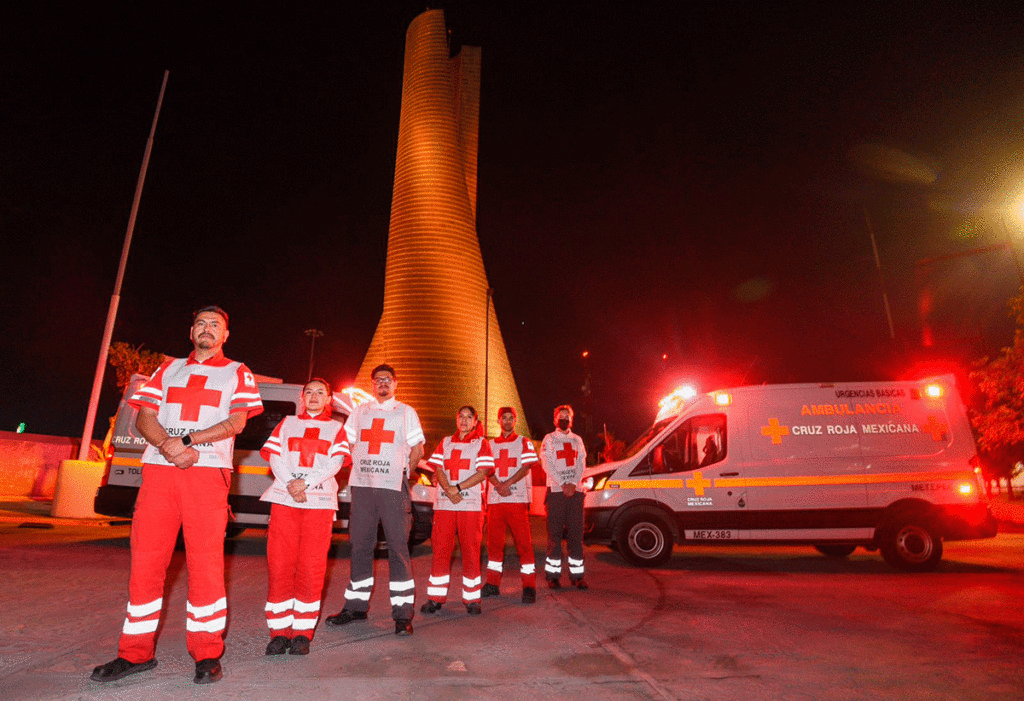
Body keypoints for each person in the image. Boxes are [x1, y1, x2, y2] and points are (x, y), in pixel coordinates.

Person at [91, 306, 263, 685]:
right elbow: (143, 416)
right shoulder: (168, 368)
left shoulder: (237, 371)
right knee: (146, 565)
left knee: (206, 567)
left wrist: (187, 441)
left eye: (215, 324)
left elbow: (237, 420)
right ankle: (134, 654)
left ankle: (206, 654)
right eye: (201, 323)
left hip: (206, 474)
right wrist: (169, 447)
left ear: (225, 335)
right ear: (190, 331)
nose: (207, 329)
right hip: (159, 473)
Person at [325, 364, 423, 636]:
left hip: (392, 489)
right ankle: (355, 607)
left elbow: (417, 448)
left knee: (398, 549)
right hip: (363, 488)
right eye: (378, 380)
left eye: (387, 380)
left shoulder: (406, 412)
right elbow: (348, 444)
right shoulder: (359, 412)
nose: (382, 384)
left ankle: (403, 615)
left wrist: (404, 474)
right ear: (372, 384)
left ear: (395, 384)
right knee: (359, 547)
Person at [259, 378, 349, 656]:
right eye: (308, 392)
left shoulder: (337, 429)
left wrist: (305, 484)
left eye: (320, 392)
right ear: (301, 396)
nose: (313, 396)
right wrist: (291, 483)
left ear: (328, 399)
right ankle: (278, 633)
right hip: (285, 500)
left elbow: (335, 463)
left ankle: (302, 633)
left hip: (319, 503)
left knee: (311, 567)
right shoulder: (286, 424)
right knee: (280, 564)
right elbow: (274, 456)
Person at [420, 406, 494, 615]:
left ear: (475, 422)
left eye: (469, 417)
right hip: (445, 503)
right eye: (460, 416)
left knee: (471, 551)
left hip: (470, 505)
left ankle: (472, 599)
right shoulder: (446, 442)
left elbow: (483, 472)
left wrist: (458, 488)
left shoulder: (481, 443)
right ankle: (435, 598)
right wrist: (449, 490)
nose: (464, 420)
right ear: (456, 419)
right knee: (440, 549)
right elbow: (439, 469)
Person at [481, 406, 538, 604]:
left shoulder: (524, 442)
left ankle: (529, 586)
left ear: (515, 421)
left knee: (523, 544)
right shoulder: (489, 444)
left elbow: (526, 467)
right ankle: (492, 583)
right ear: (498, 421)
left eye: (510, 418)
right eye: (503, 418)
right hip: (496, 500)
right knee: (494, 544)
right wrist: (498, 484)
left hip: (516, 498)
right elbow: (485, 468)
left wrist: (506, 484)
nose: (507, 421)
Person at [540, 404, 588, 590]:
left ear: (571, 420)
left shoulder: (577, 440)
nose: (564, 419)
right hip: (556, 493)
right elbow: (547, 464)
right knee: (555, 536)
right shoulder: (549, 439)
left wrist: (573, 483)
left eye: (567, 416)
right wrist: (563, 483)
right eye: (561, 416)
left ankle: (578, 576)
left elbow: (581, 463)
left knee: (576, 536)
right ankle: (553, 577)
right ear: (555, 419)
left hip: (575, 493)